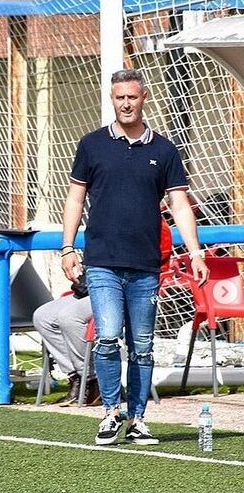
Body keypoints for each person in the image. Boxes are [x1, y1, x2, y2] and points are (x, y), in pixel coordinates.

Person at [62, 68, 207, 447]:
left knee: (142, 345)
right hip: (102, 262)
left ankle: (139, 418)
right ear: (112, 99)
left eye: (132, 97)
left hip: (146, 266)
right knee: (108, 336)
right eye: (119, 97)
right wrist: (67, 247)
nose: (126, 103)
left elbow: (179, 204)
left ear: (144, 99)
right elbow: (75, 198)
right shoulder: (91, 145)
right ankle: (110, 412)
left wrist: (195, 252)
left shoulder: (164, 149)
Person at [32, 274, 99, 407]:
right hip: (89, 289)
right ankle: (76, 377)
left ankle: (92, 380)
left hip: (117, 289)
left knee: (69, 317)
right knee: (42, 317)